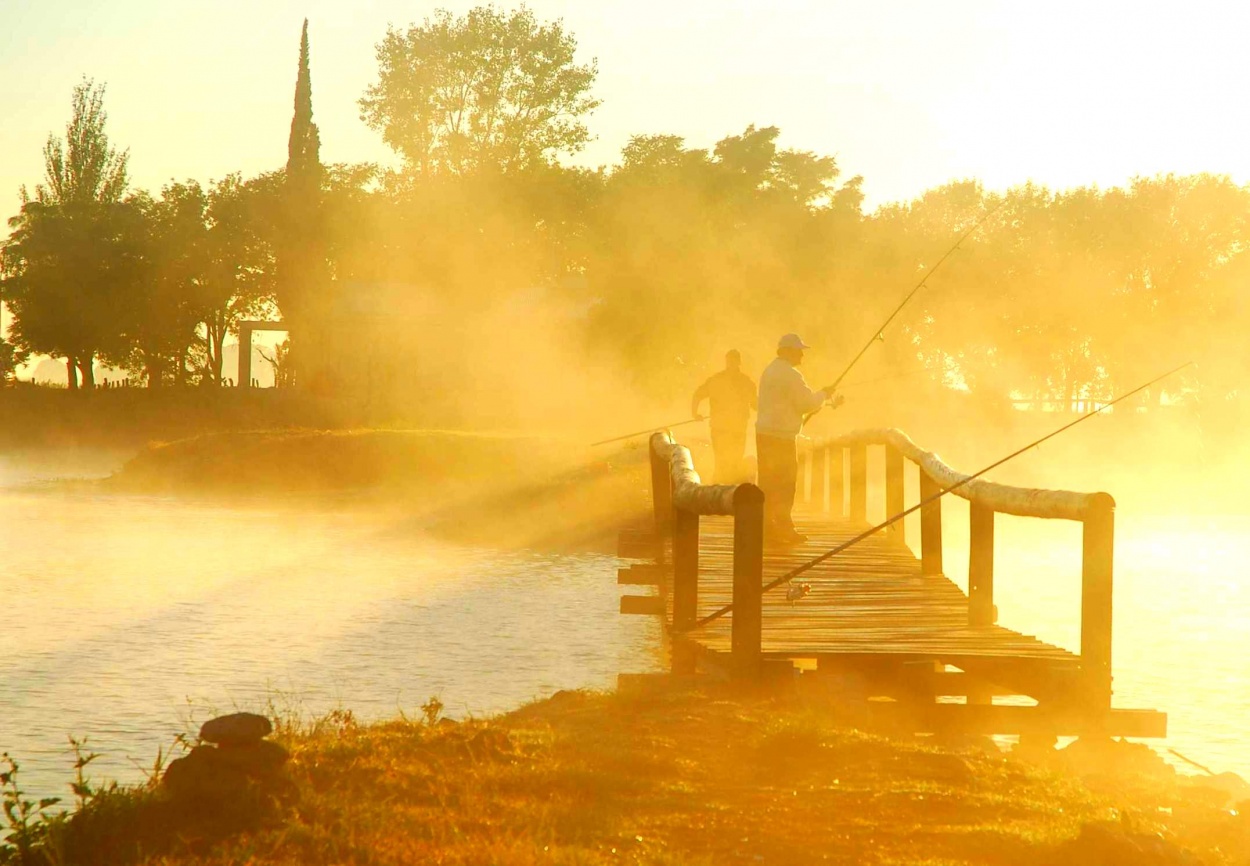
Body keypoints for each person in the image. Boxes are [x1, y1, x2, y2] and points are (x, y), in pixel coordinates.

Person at [755, 333, 844, 543]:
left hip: (764, 435)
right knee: (786, 484)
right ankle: (784, 528)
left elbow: (788, 404)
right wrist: (824, 394)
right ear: (789, 351)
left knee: (768, 483)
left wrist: (822, 398)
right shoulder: (791, 375)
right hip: (782, 439)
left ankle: (767, 528)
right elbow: (806, 404)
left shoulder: (769, 371)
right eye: (799, 352)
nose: (802, 357)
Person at [691, 349, 757, 483]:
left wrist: (695, 413)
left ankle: (721, 489)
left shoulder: (719, 380)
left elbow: (698, 394)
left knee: (724, 461)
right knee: (730, 461)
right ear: (739, 362)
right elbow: (756, 405)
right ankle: (724, 489)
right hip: (731, 430)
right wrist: (695, 413)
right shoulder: (745, 382)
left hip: (725, 429)